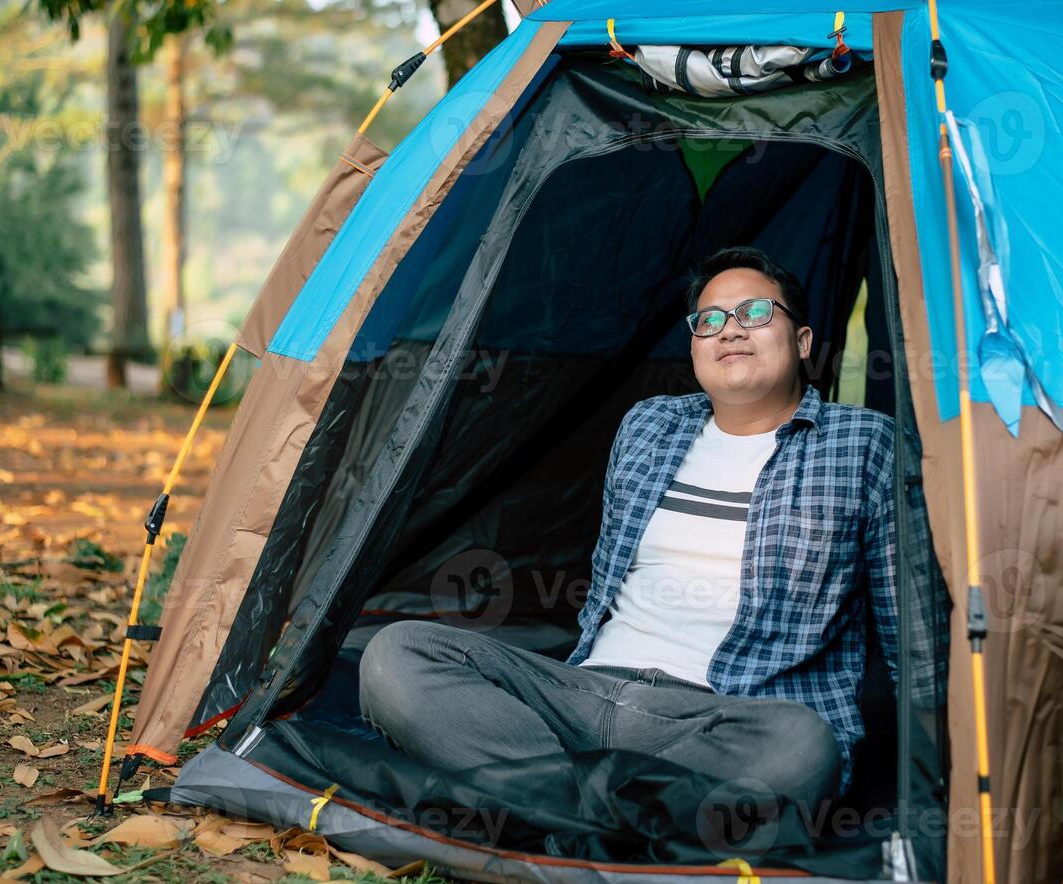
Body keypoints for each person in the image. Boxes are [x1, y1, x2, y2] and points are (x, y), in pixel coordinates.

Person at [358, 245, 898, 817]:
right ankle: (622, 813)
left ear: (804, 341)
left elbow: (905, 625)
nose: (730, 331)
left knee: (803, 748)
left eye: (756, 313)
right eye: (710, 320)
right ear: (694, 347)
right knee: (397, 653)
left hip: (719, 720)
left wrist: (939, 761)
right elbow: (605, 586)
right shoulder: (649, 425)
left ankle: (546, 802)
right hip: (583, 698)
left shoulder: (862, 442)